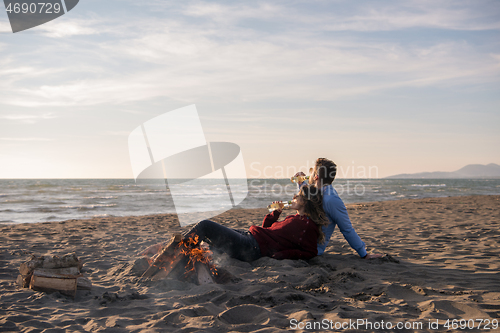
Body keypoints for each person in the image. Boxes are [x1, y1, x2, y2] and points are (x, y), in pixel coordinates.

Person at [179, 184, 329, 262]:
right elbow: (266, 228)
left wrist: (283, 254)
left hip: (252, 247)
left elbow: (310, 252)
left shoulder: (307, 226)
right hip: (251, 238)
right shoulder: (294, 218)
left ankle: (177, 251)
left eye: (298, 196)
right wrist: (275, 213)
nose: (294, 197)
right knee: (208, 237)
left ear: (305, 201)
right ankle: (183, 250)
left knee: (205, 225)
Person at [294, 158, 382, 259]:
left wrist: (364, 254)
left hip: (309, 248)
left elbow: (347, 229)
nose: (310, 174)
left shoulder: (332, 199)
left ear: (316, 176)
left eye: (312, 172)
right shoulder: (319, 192)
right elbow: (309, 196)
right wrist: (301, 184)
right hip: (298, 240)